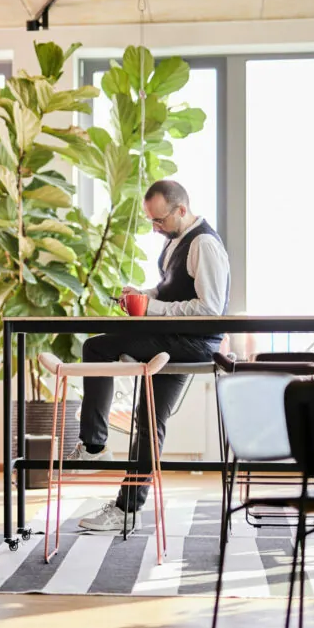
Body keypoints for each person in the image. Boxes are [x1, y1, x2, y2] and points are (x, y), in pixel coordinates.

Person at [74, 179, 231, 533]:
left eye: (159, 220)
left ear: (181, 209)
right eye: (151, 220)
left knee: (96, 347)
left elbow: (210, 310)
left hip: (194, 342)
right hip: (174, 337)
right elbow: (168, 290)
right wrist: (142, 295)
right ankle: (127, 510)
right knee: (149, 419)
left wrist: (152, 308)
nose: (155, 227)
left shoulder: (204, 244)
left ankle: (94, 446)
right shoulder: (176, 241)